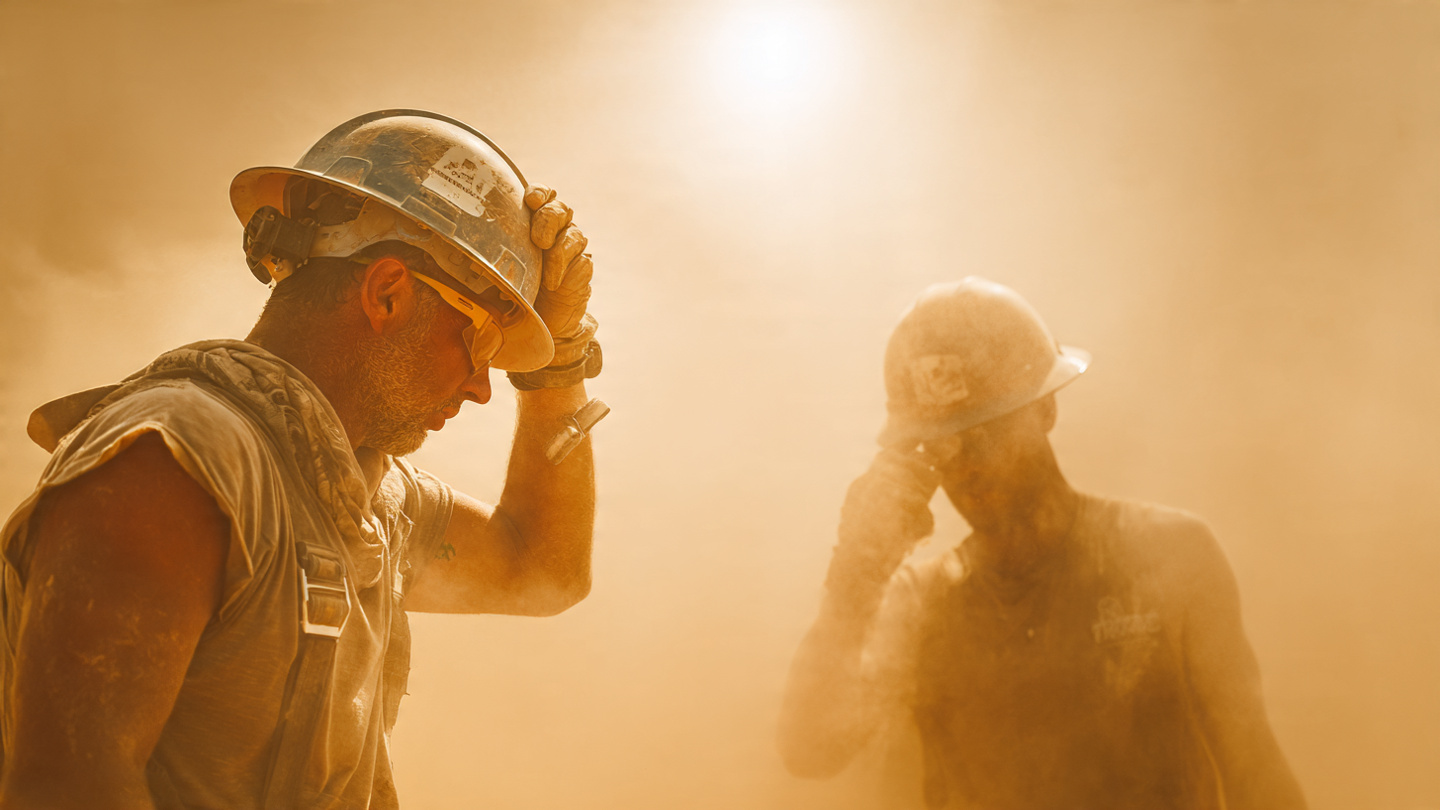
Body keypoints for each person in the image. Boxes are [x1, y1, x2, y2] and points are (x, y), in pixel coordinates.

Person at [0, 109, 604, 809]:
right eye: (479, 346)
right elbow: (68, 791)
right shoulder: (171, 467)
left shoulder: (365, 501)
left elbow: (543, 569)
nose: (479, 389)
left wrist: (558, 368)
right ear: (386, 293)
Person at [778, 278, 1307, 809]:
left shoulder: (1167, 558)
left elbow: (1254, 772)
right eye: (943, 439)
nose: (964, 458)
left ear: (1046, 409)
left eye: (985, 426)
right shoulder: (921, 607)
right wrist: (856, 570)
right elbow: (810, 750)